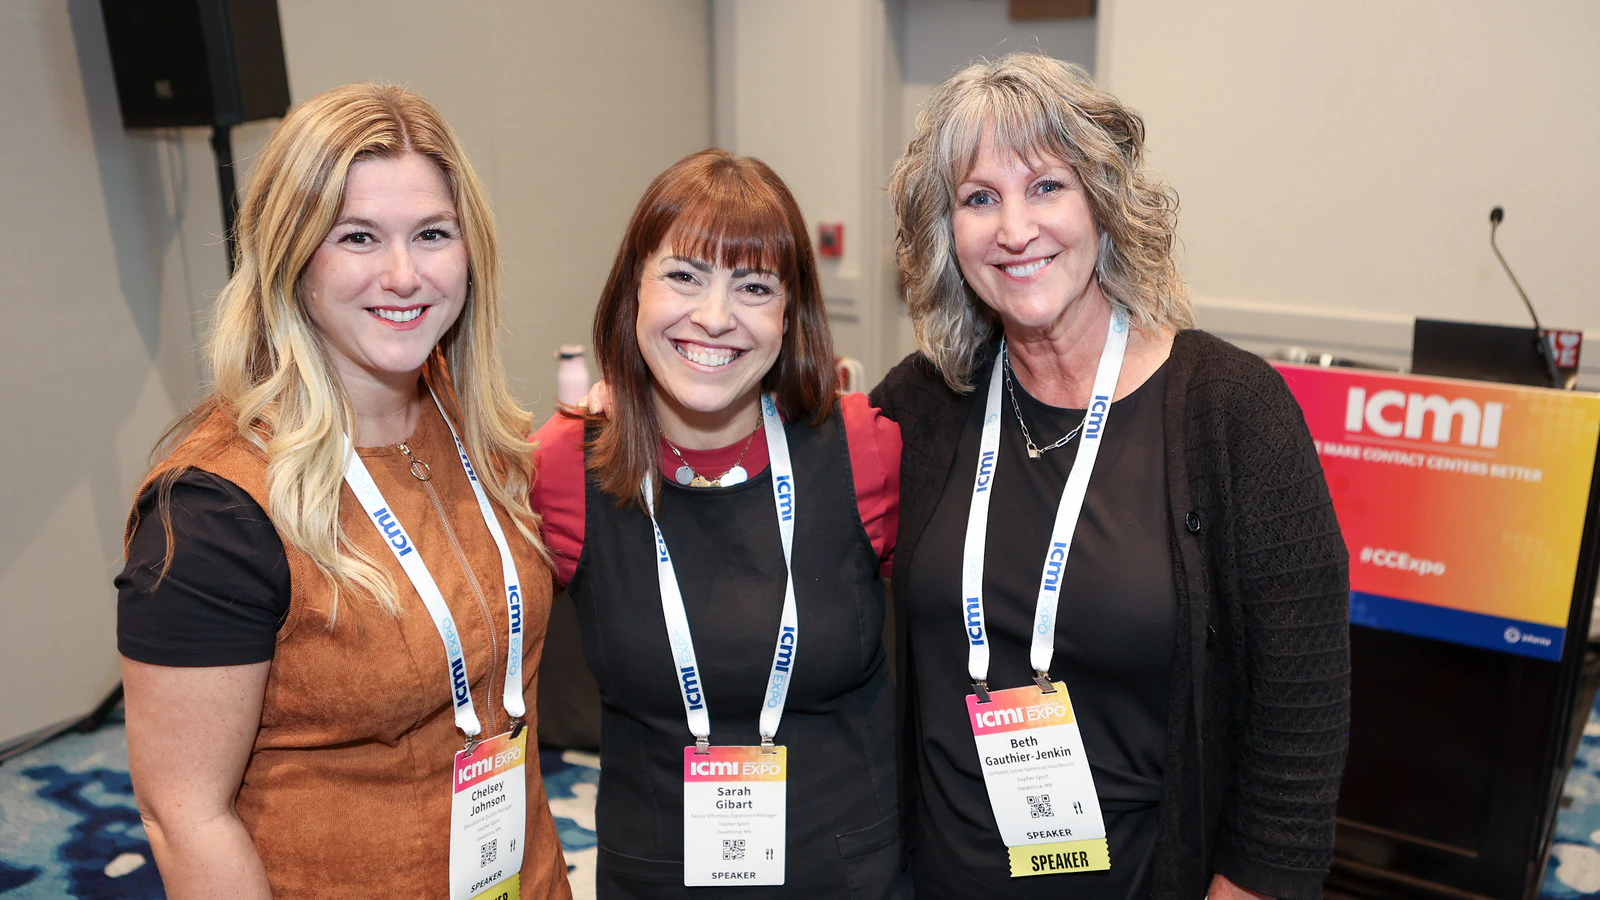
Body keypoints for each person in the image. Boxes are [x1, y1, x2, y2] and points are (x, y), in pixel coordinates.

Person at [870, 53, 1349, 900]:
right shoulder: (925, 402)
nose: (1015, 229)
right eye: (979, 198)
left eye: (1046, 186)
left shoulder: (1234, 414)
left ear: (1102, 200)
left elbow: (1300, 711)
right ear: (947, 232)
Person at [116, 83, 571, 899]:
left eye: (432, 234)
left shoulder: (466, 421)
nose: (404, 274)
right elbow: (184, 817)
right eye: (358, 237)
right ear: (292, 256)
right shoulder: (213, 511)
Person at [530, 149, 905, 898]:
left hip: (847, 875)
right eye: (684, 276)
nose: (713, 316)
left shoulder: (865, 448)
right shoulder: (565, 465)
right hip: (654, 877)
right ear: (633, 289)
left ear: (790, 315)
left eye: (754, 286)